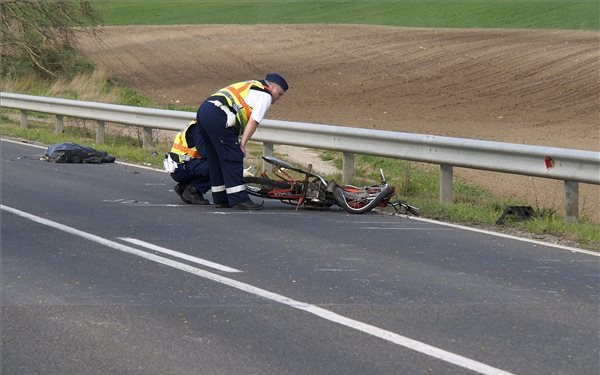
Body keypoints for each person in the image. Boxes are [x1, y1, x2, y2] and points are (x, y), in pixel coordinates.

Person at [194, 73, 289, 210]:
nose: (278, 98)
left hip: (204, 111)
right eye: (279, 94)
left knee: (216, 159)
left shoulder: (251, 84)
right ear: (272, 87)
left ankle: (221, 198)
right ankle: (239, 199)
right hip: (219, 115)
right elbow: (254, 121)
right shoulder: (265, 95)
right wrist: (242, 144)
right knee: (233, 156)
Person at [165, 120, 211, 205]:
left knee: (214, 164)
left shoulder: (198, 125)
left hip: (180, 165)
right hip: (182, 167)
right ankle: (193, 190)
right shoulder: (198, 128)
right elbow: (205, 152)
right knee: (217, 167)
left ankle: (185, 186)